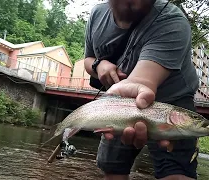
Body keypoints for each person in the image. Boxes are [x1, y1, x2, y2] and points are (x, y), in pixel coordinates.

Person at [83, 0, 200, 180]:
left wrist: (124, 90)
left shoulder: (173, 20)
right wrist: (99, 65)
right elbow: (88, 59)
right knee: (112, 169)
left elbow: (142, 81)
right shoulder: (97, 15)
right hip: (118, 104)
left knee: (175, 171)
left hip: (173, 102)